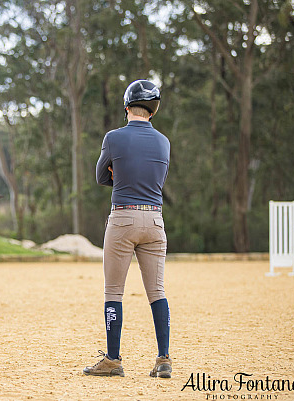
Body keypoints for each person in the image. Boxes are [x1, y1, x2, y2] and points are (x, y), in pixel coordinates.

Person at [84, 79, 172, 378]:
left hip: (122, 218)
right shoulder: (164, 141)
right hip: (155, 220)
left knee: (113, 291)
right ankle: (163, 359)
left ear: (126, 108)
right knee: (157, 291)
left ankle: (113, 359)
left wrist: (117, 176)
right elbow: (156, 179)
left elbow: (100, 176)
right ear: (153, 111)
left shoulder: (113, 137)